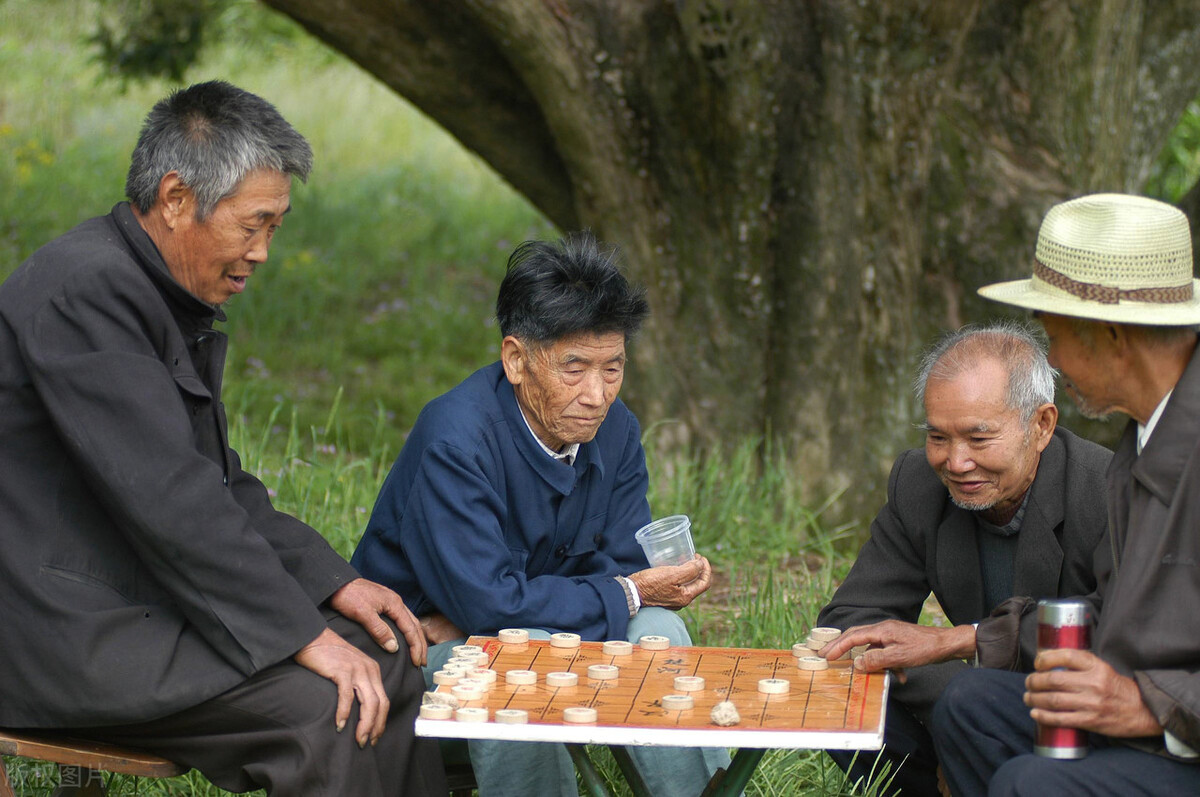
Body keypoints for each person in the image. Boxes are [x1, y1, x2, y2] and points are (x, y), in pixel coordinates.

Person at [0, 81, 446, 796]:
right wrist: (306, 635)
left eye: (277, 226)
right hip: (70, 631)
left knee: (391, 661)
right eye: (253, 224)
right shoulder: (85, 292)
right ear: (176, 199)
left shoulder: (149, 290)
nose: (264, 251)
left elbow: (216, 482)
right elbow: (171, 501)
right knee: (327, 711)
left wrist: (337, 585)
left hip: (134, 596)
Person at [352, 232, 730, 796]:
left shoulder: (617, 429)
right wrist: (500, 611)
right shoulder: (455, 440)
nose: (597, 394)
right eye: (573, 368)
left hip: (501, 626)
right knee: (514, 657)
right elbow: (525, 600)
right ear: (516, 360)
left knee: (659, 629)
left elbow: (622, 567)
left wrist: (498, 608)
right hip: (416, 657)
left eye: (612, 368)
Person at [924, 193, 1200, 794]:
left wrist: (1155, 707)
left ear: (1110, 335)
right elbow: (1116, 610)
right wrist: (969, 638)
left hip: (1182, 736)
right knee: (967, 705)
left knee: (1031, 782)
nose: (1052, 360)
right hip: (1147, 722)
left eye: (1053, 335)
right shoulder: (1144, 436)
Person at [817, 323, 1111, 795]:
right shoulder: (919, 483)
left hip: (1077, 722)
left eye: (979, 439)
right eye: (938, 437)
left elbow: (1117, 637)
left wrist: (959, 660)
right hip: (963, 703)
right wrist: (953, 718)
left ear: (1041, 426)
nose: (955, 462)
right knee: (838, 683)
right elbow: (853, 621)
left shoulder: (1107, 492)